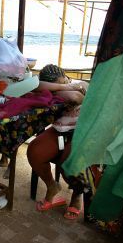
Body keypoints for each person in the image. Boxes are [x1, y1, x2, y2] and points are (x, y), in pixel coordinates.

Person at [27, 64, 88, 220]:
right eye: (54, 85)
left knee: (68, 163)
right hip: (59, 131)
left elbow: (75, 97)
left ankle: (76, 195)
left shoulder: (81, 84)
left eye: (62, 81)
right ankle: (52, 185)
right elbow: (36, 85)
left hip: (80, 133)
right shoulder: (63, 86)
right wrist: (61, 86)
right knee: (35, 151)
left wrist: (56, 88)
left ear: (65, 76)